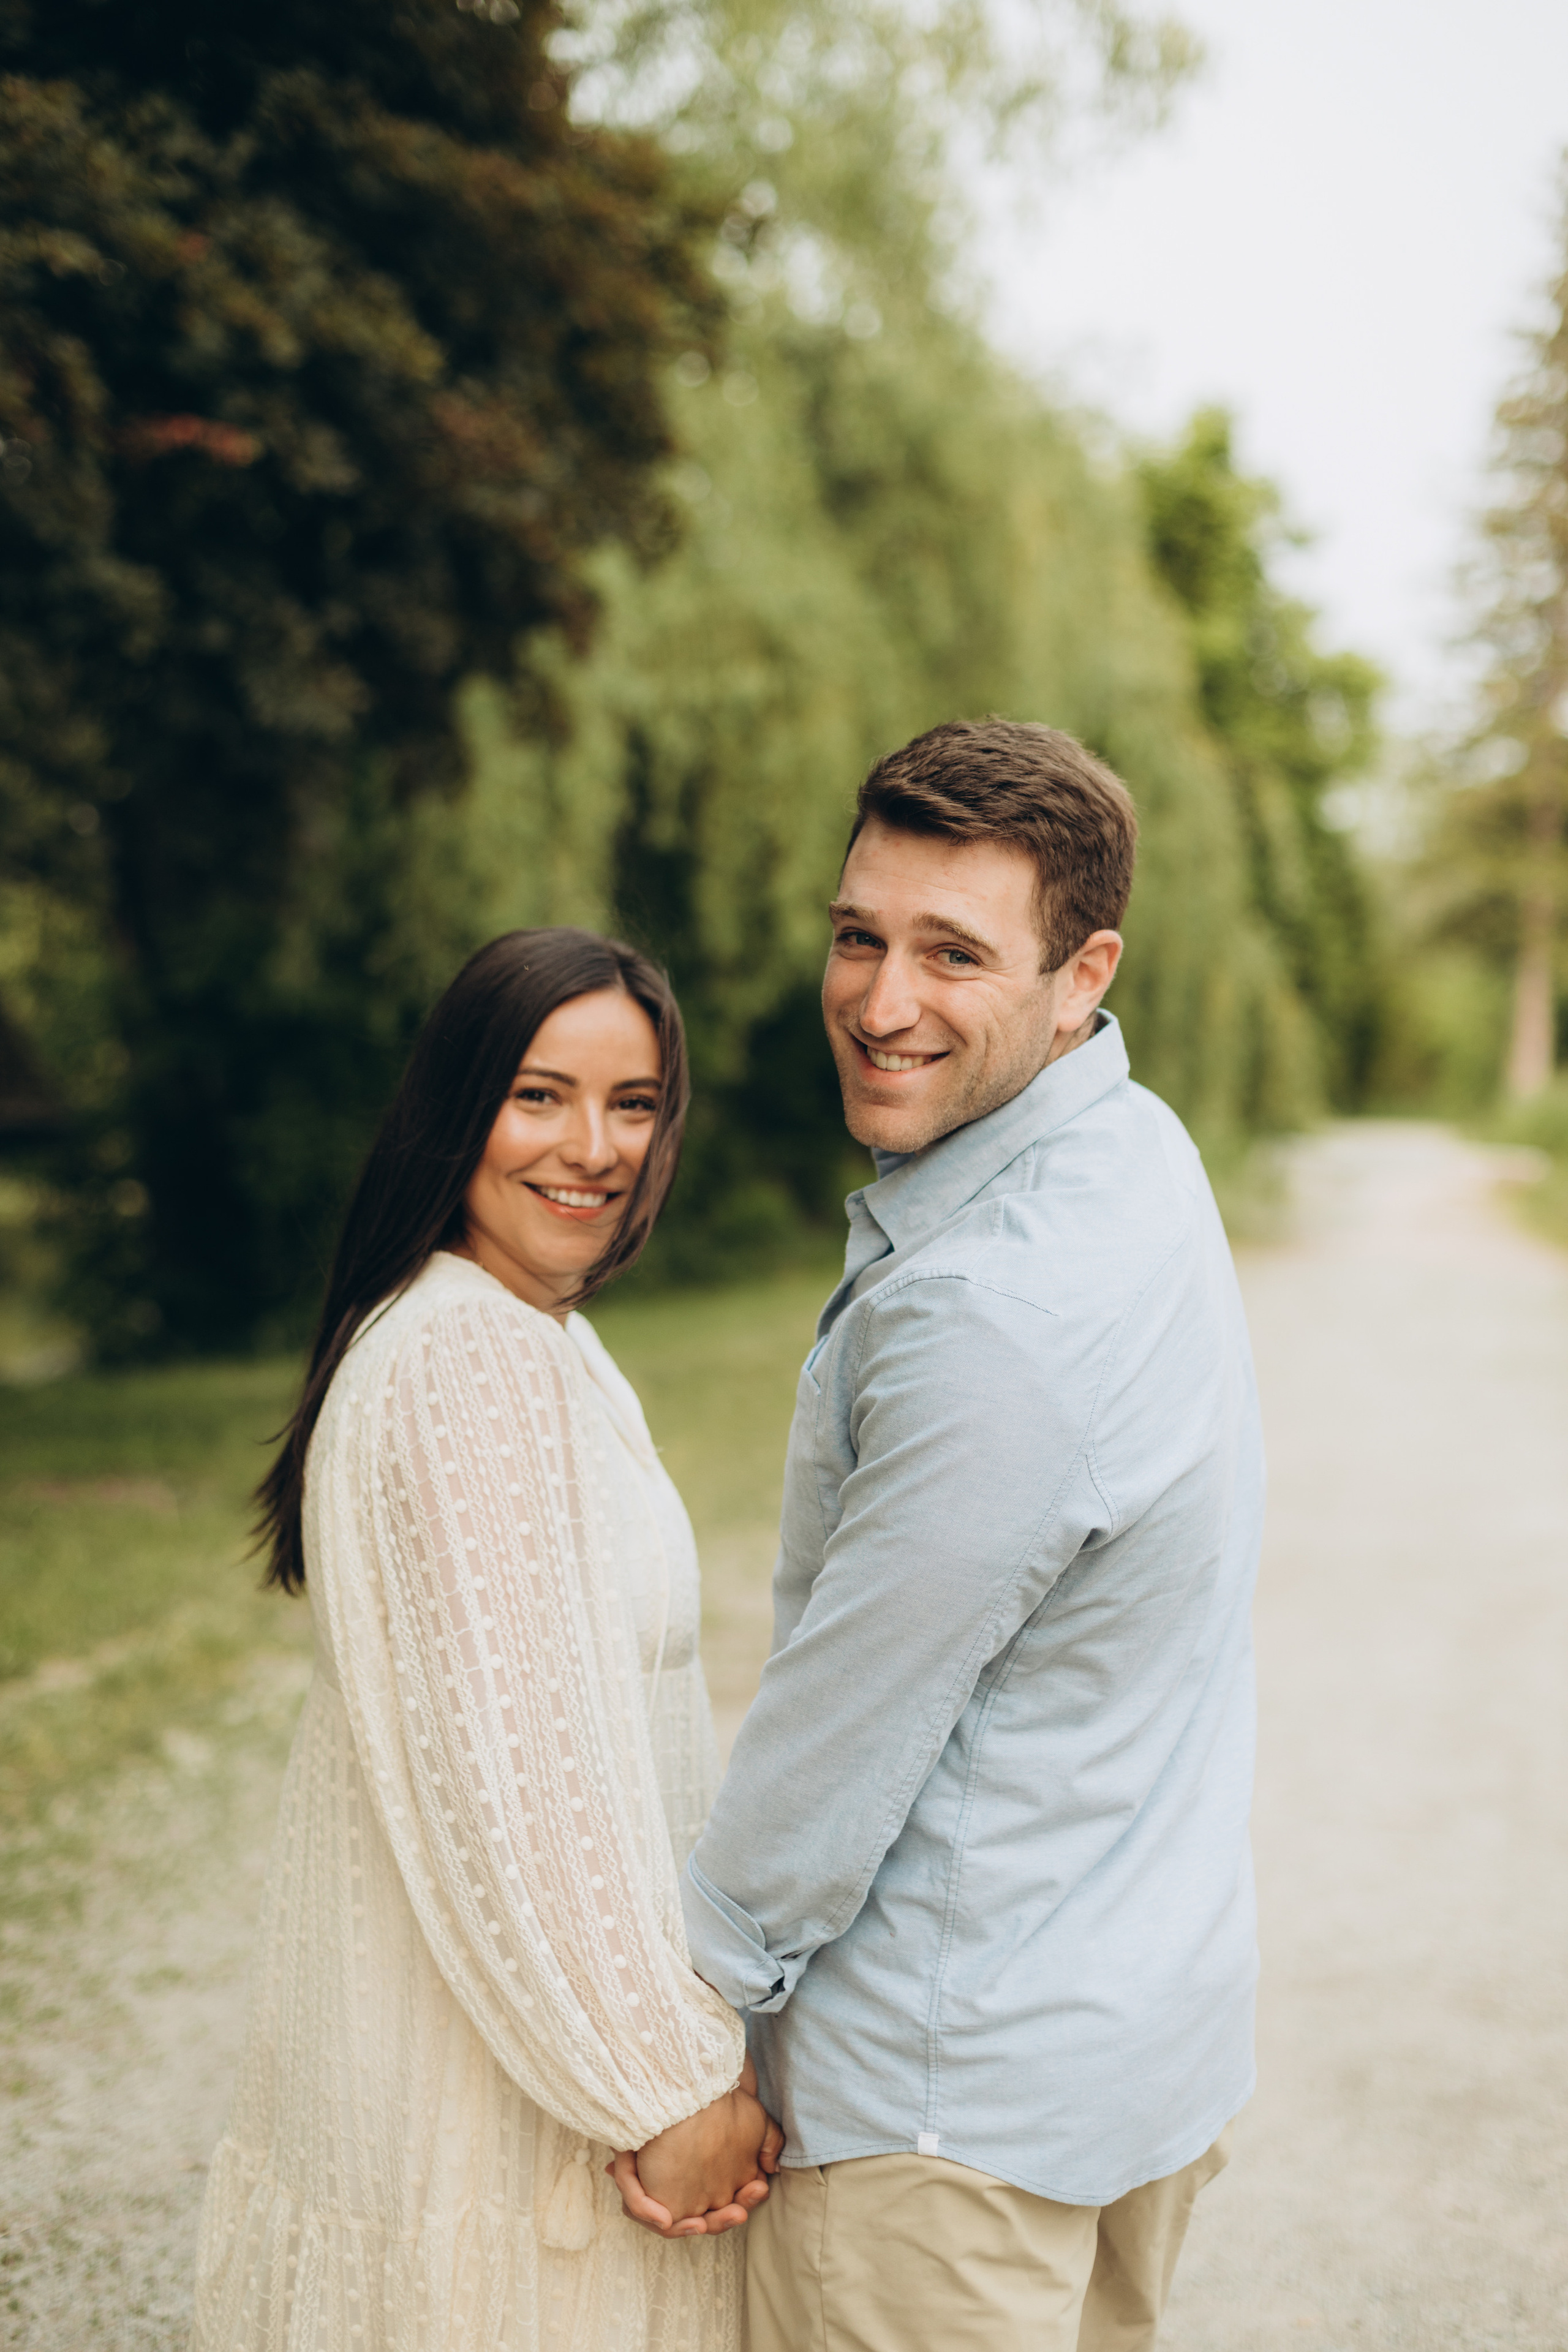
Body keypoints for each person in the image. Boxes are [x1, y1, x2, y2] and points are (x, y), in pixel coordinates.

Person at [663, 720, 1264, 2351]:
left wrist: (673, 2045)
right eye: (860, 935)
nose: (880, 1002)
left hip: (942, 2132)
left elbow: (843, 1737)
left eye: (954, 954)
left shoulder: (991, 1310)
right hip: (1134, 2056)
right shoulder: (1137, 1151)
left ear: (1084, 975)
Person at [191, 927, 781, 2352]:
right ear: (456, 1108)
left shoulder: (529, 1336)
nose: (593, 1147)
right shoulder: (466, 1360)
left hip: (500, 2062)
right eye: (539, 1095)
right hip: (498, 2103)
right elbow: (520, 1796)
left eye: (631, 1104)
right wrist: (665, 2085)